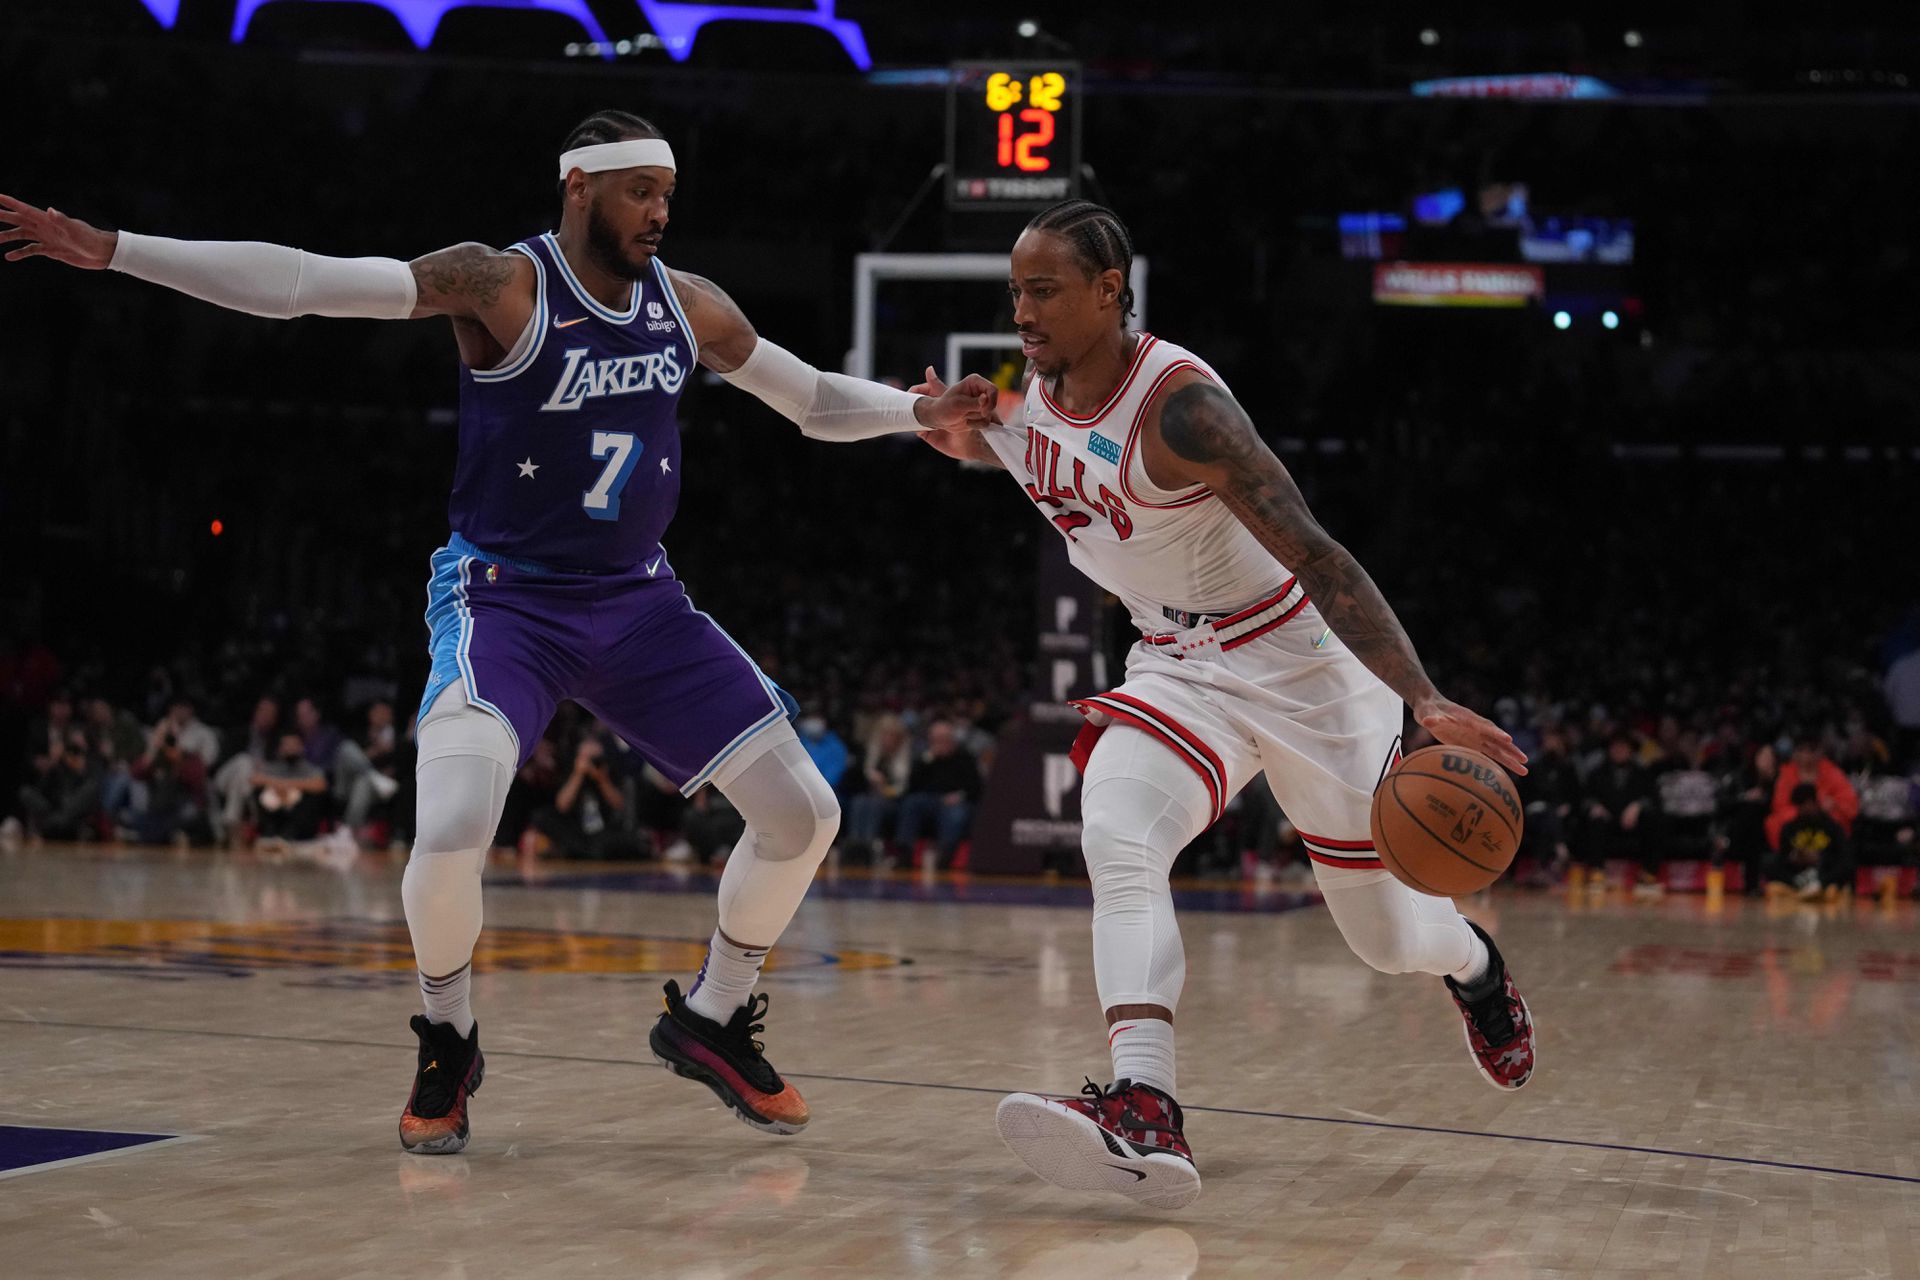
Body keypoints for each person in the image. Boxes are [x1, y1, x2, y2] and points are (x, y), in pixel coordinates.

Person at [0, 110, 996, 1155]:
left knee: (805, 812)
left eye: (668, 191)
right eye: (639, 191)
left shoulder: (688, 303)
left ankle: (711, 1013)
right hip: (505, 598)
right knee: (451, 825)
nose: (660, 209)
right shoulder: (499, 285)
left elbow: (812, 401)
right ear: (578, 188)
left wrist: (912, 413)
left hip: (639, 600)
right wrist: (115, 250)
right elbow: (307, 283)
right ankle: (449, 1032)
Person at [916, 200, 1533, 1209]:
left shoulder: (1184, 408)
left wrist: (1419, 696)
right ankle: (1145, 1100)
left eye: (1045, 289)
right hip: (1176, 661)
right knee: (1114, 830)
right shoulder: (1032, 380)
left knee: (1383, 939)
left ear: (1111, 291)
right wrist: (968, 440)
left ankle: (1472, 962)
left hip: (1300, 666)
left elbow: (1319, 552)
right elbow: (1039, 455)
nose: (1022, 310)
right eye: (1016, 289)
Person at [891, 718, 982, 867]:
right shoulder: (926, 759)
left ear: (951, 739)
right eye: (936, 740)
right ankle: (904, 852)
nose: (940, 743)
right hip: (929, 800)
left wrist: (959, 796)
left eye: (943, 739)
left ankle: (945, 855)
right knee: (912, 803)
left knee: (955, 813)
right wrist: (928, 760)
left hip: (955, 801)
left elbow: (976, 787)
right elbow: (911, 787)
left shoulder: (964, 758)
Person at [1765, 737, 1858, 853]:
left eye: (1811, 750)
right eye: (1802, 750)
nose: (1807, 755)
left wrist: (1834, 804)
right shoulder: (1786, 774)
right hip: (1796, 823)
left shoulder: (1833, 773)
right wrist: (1805, 810)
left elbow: (1851, 806)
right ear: (1795, 753)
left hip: (1826, 822)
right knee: (1773, 823)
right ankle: (1787, 857)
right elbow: (1779, 806)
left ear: (1820, 752)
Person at [1766, 782, 1853, 901]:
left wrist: (1820, 858)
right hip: (1798, 876)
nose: (1805, 808)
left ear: (1815, 802)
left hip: (1824, 874)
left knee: (1846, 865)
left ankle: (1820, 887)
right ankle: (1801, 887)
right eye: (1800, 805)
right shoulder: (1790, 828)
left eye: (1808, 803)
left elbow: (1843, 857)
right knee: (1768, 862)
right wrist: (1795, 858)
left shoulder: (1832, 827)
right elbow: (1782, 857)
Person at [252, 732, 329, 846]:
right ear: (280, 749)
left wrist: (289, 785)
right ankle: (269, 831)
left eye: (294, 745)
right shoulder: (272, 767)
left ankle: (293, 832)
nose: (290, 749)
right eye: (287, 745)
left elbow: (321, 784)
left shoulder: (309, 768)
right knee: (259, 792)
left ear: (301, 748)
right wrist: (278, 785)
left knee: (312, 796)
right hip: (276, 809)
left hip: (299, 815)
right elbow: (255, 779)